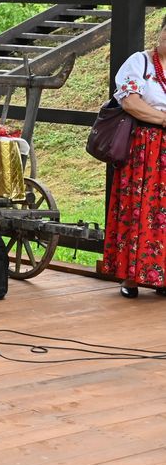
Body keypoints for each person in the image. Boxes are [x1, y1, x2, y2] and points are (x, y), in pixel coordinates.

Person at [102, 17, 166, 298]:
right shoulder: (139, 62)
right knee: (137, 208)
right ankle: (131, 278)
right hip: (144, 146)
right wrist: (163, 119)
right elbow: (130, 102)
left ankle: (162, 277)